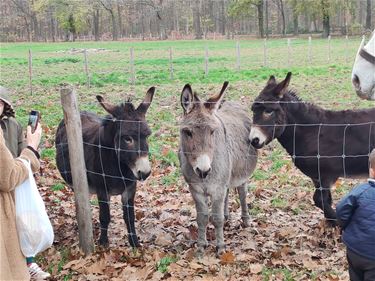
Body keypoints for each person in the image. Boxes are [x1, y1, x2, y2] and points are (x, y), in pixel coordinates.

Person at [0, 86, 51, 280]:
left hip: (17, 183)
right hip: (9, 183)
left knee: (22, 224)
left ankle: (29, 261)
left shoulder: (13, 126)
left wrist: (28, 154)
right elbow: (7, 177)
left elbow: (20, 150)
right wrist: (31, 149)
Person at [336, 148, 375, 281]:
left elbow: (342, 210)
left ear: (371, 170)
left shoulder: (360, 191)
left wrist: (345, 225)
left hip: (355, 249)